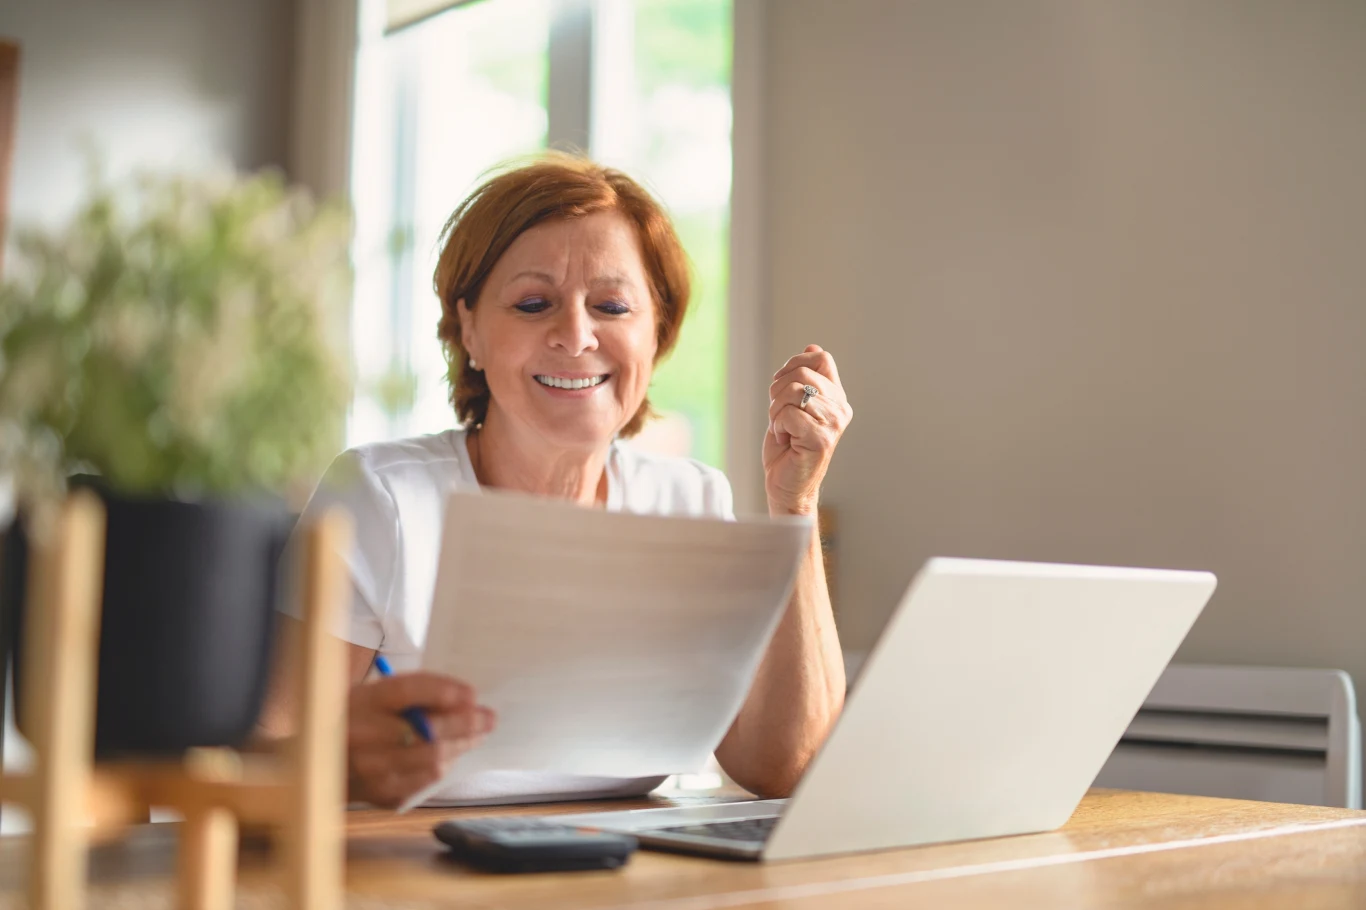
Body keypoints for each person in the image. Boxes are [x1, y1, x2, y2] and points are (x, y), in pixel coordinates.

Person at [259, 155, 853, 808]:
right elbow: (256, 761)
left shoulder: (690, 500)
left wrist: (795, 502)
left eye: (612, 305)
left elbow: (782, 766)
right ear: (470, 331)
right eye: (534, 303)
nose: (574, 336)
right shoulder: (382, 497)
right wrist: (347, 762)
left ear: (657, 334)